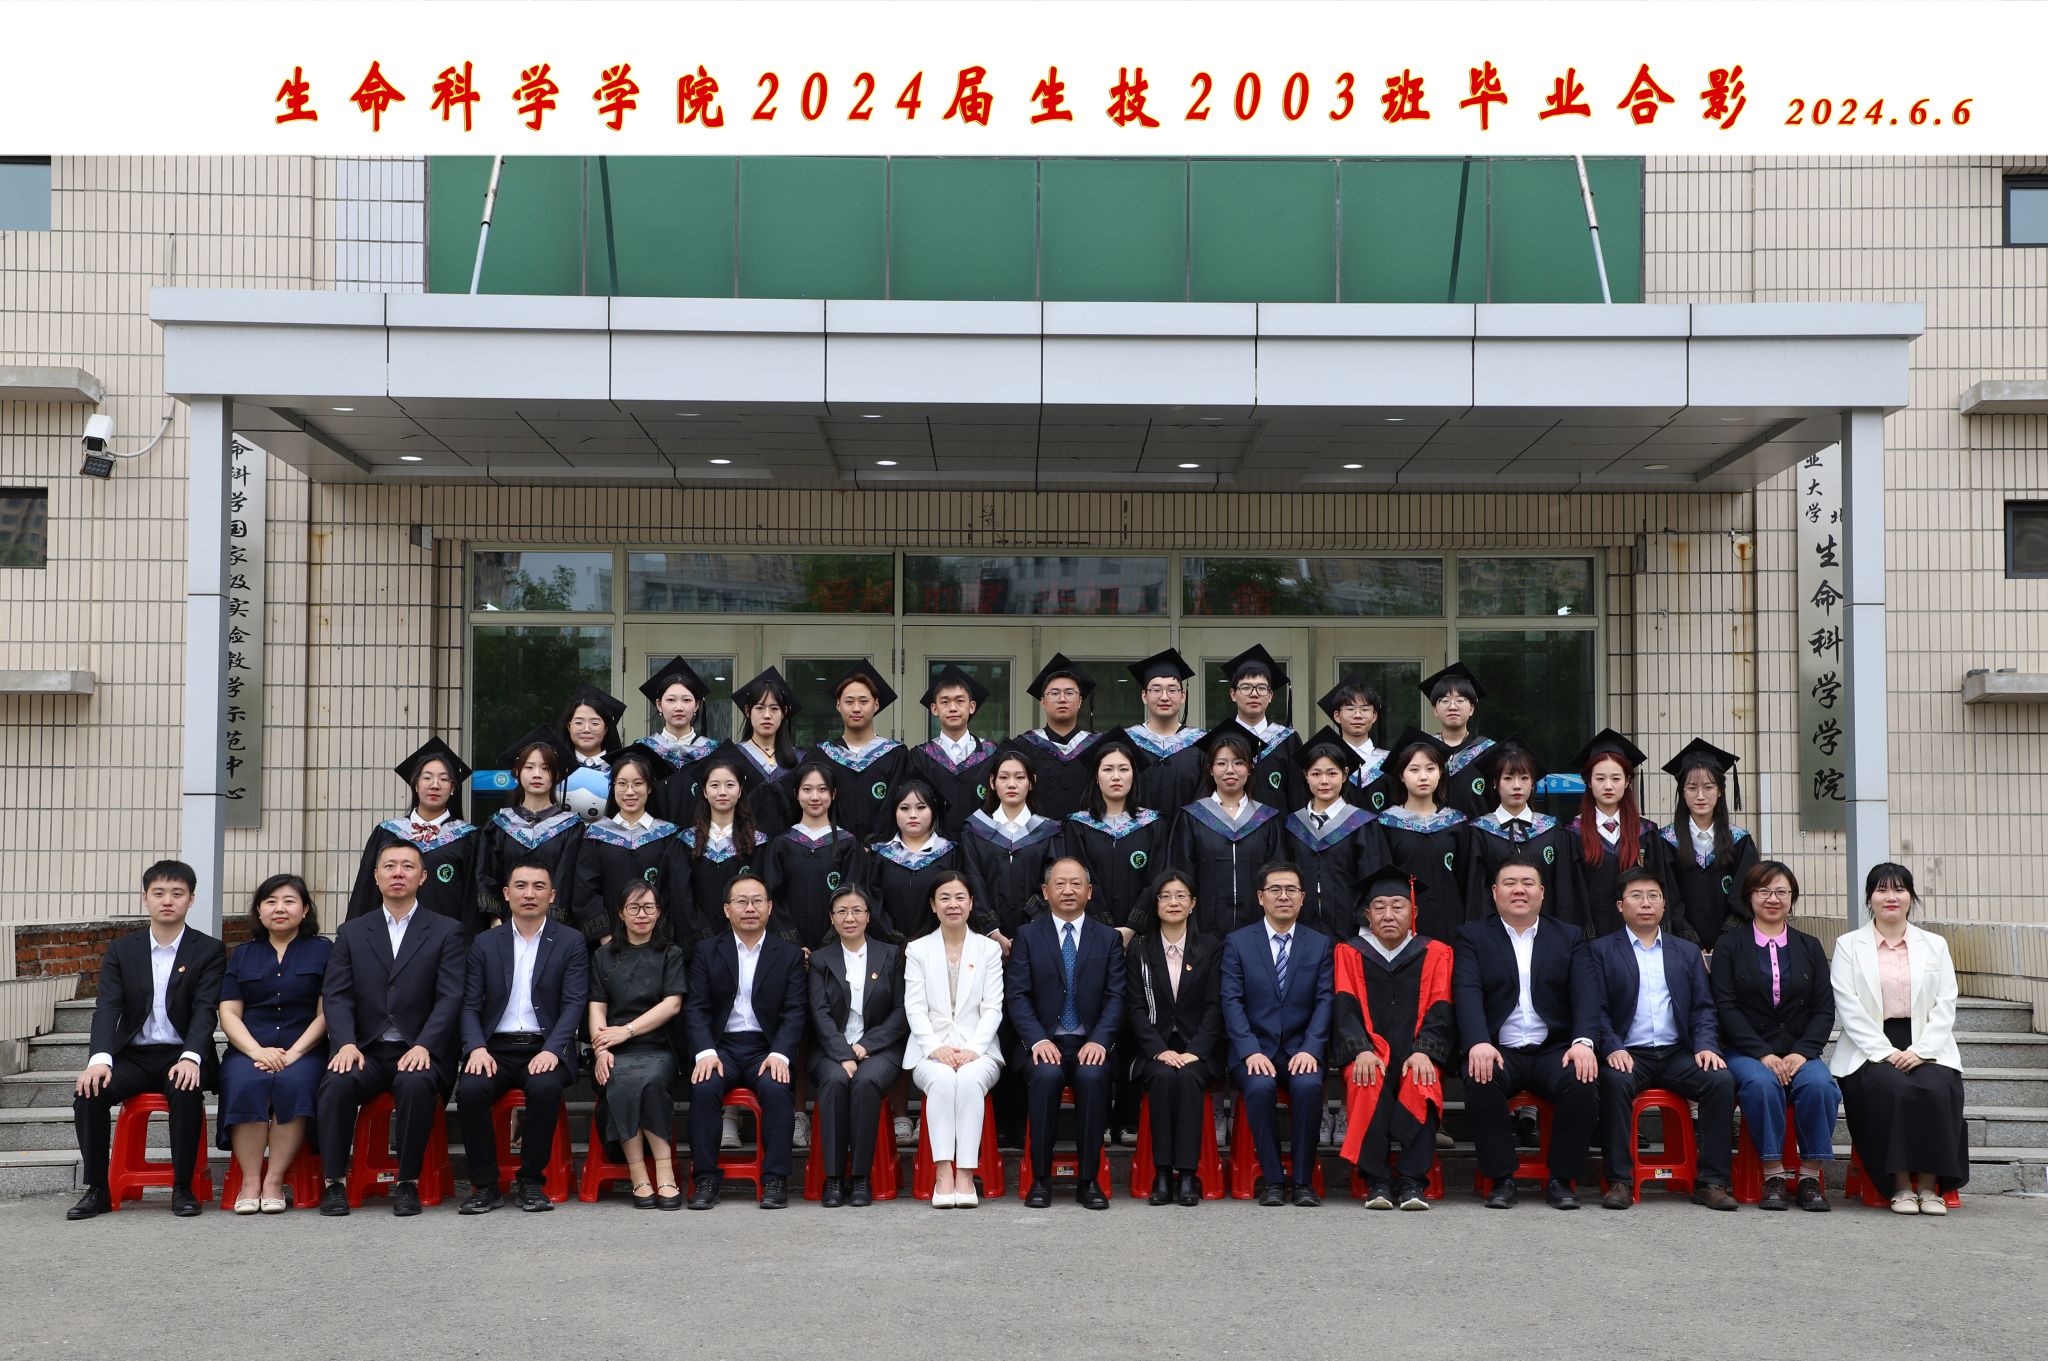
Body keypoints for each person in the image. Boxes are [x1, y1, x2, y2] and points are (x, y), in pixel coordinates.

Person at [67, 860, 227, 1221]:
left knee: (186, 1088)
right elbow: (108, 1006)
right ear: (145, 898)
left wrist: (192, 1057)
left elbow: (205, 1010)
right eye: (159, 893)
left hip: (181, 1053)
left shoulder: (209, 950)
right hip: (135, 1057)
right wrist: (99, 1060)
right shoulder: (122, 950)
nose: (167, 900)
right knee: (88, 1093)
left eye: (177, 893)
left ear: (191, 899)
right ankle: (97, 1189)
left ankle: (183, 1187)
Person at [316, 840, 468, 1217]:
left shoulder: (446, 931)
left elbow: (450, 996)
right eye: (390, 866)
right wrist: (345, 1043)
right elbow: (336, 995)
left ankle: (407, 1182)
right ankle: (334, 1183)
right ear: (376, 876)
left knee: (416, 1084)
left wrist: (426, 1045)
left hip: (420, 1048)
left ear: (423, 877)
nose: (398, 873)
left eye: (407, 866)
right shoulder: (352, 932)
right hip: (365, 1049)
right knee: (336, 1083)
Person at [1453, 854, 1601, 1210]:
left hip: (1553, 1049)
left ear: (1542, 892)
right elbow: (1466, 990)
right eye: (1510, 883)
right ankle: (1501, 1179)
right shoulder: (1472, 936)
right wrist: (1478, 1042)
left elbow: (1586, 994)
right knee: (1480, 1077)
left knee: (1582, 1079)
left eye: (1527, 883)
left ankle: (1561, 1180)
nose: (1519, 890)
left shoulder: (1568, 936)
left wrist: (1583, 1042)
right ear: (1495, 892)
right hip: (1498, 1047)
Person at [1588, 869, 1739, 1210]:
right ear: (1620, 905)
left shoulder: (1685, 951)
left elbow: (1703, 1007)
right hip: (1629, 1053)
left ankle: (1711, 1182)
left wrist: (1706, 1045)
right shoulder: (1600, 950)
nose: (1646, 903)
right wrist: (1612, 1047)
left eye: (1653, 896)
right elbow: (1596, 1010)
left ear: (1663, 904)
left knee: (1719, 1080)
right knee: (1614, 1081)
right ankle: (1620, 1181)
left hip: (1676, 1053)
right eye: (1636, 896)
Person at [1830, 862, 1969, 1214]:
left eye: (1899, 890)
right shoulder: (1848, 945)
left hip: (1927, 1042)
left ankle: (1930, 1187)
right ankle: (1901, 1186)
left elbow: (1946, 1003)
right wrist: (1886, 1052)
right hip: (1869, 1046)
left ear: (1911, 897)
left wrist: (1922, 1050)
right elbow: (1849, 1007)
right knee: (1893, 1088)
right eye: (1881, 890)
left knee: (1936, 1088)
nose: (1890, 897)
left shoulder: (1934, 945)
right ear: (1869, 899)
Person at [454, 856, 589, 1214]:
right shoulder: (485, 942)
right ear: (506, 893)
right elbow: (469, 1004)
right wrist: (476, 1047)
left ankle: (531, 1182)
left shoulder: (570, 941)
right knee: (470, 1090)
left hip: (544, 1046)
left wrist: (554, 1049)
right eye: (521, 886)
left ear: (552, 895)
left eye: (538, 887)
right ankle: (485, 1185)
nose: (530, 894)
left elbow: (574, 1003)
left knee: (544, 1089)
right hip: (494, 1048)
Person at [1711, 860, 1839, 1211]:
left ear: (1792, 898)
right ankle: (1773, 1175)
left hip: (1800, 1051)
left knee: (1821, 1086)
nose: (1773, 898)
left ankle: (1809, 1176)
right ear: (1749, 897)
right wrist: (1762, 1053)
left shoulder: (1810, 946)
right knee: (1761, 1085)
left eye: (1781, 891)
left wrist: (1803, 1052)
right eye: (1764, 891)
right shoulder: (1729, 946)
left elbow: (1824, 1008)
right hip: (1746, 1051)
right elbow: (1725, 1006)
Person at [1332, 866, 1454, 1211]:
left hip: (1416, 1051)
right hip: (1370, 1052)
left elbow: (1441, 1007)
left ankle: (1413, 1180)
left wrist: (1425, 1051)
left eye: (1398, 906)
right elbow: (1344, 1007)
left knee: (1422, 1077)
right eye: (1380, 907)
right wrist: (1360, 1050)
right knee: (1366, 1078)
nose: (1388, 915)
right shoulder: (1349, 952)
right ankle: (1378, 1180)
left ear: (1413, 912)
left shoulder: (1436, 953)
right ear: (1367, 915)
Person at [1007, 857, 1125, 1210]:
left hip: (1090, 1042)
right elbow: (1017, 995)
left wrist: (1100, 1040)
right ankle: (1040, 1179)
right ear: (1046, 892)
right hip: (1044, 1042)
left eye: (1076, 883)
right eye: (1060, 883)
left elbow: (1116, 996)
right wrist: (1038, 1039)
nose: (1068, 890)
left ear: (1089, 891)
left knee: (1092, 1077)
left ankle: (1088, 1181)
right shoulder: (1028, 936)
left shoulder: (1108, 938)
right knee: (1045, 1077)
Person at [684, 874, 807, 1209]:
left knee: (776, 1089)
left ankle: (775, 1179)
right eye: (741, 902)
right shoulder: (707, 951)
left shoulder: (788, 954)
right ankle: (705, 1178)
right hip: (721, 1047)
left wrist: (780, 1053)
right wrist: (705, 1051)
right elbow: (696, 1007)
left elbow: (795, 1011)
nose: (750, 908)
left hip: (765, 1048)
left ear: (770, 907)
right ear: (727, 909)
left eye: (757, 901)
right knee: (704, 1088)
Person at [1220, 863, 1335, 1207]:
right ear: (1260, 897)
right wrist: (1250, 1050)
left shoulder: (1320, 944)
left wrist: (1311, 1048)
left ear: (1303, 898)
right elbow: (1231, 1000)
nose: (1283, 896)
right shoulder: (1238, 942)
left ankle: (1302, 1182)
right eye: (1275, 890)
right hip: (1254, 1050)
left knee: (1308, 1087)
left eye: (1290, 890)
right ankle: (1272, 1180)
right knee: (1259, 1087)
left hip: (1302, 1049)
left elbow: (1325, 1000)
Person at [216, 874, 330, 1214]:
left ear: (305, 909)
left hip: (305, 1050)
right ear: (258, 911)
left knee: (294, 1083)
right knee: (245, 1081)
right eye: (270, 902)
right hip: (250, 1050)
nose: (280, 908)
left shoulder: (324, 951)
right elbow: (229, 1012)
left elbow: (327, 1012)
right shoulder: (242, 955)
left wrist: (294, 1054)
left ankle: (274, 1182)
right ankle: (250, 1181)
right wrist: (256, 1051)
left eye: (289, 901)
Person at [904, 872, 1006, 1207]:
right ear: (933, 905)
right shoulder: (918, 950)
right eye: (945, 898)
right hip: (929, 1050)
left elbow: (993, 1007)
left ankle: (966, 1173)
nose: (953, 904)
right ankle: (943, 1173)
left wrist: (974, 1050)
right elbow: (915, 1008)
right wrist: (936, 1048)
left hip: (980, 1051)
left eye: (960, 897)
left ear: (971, 903)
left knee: (970, 1080)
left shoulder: (988, 949)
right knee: (944, 1081)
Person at [588, 881, 689, 1209]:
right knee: (619, 1077)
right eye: (634, 908)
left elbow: (672, 1004)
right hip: (614, 1049)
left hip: (659, 1047)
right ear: (621, 913)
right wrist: (601, 1050)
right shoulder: (603, 956)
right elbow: (597, 1008)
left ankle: (664, 1170)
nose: (642, 914)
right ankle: (638, 1173)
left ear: (658, 913)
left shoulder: (670, 954)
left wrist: (627, 1031)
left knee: (649, 1081)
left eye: (649, 907)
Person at [806, 885, 908, 1207]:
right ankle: (834, 1178)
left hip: (881, 1049)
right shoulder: (821, 960)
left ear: (868, 916)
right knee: (835, 1081)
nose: (849, 918)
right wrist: (843, 1053)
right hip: (830, 1049)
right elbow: (819, 1013)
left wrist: (864, 1046)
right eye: (841, 912)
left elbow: (902, 1011)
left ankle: (862, 1176)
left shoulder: (890, 955)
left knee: (865, 1082)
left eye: (856, 911)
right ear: (831, 918)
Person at [1125, 871, 1222, 1205]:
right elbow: (1135, 1009)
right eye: (1165, 896)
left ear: (1193, 903)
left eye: (1181, 896)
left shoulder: (1209, 947)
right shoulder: (1140, 949)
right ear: (1155, 905)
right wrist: (1158, 1050)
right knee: (1164, 1078)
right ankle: (1163, 1174)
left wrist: (1197, 1050)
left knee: (1190, 1078)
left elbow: (1215, 1006)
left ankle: (1188, 1175)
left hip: (1198, 1049)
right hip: (1153, 1049)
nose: (1173, 902)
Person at [345, 737, 482, 936]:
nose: (435, 785)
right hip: (389, 937)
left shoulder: (468, 837)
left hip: (445, 942)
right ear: (415, 784)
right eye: (427, 778)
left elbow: (471, 902)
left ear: (453, 788)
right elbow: (366, 892)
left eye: (444, 779)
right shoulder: (387, 833)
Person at [1169, 724, 1287, 938]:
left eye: (1239, 762)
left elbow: (1278, 875)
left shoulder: (1267, 818)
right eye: (1221, 763)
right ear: (1210, 769)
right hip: (1204, 931)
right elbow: (1182, 874)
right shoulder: (1192, 817)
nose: (1230, 770)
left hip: (1259, 929)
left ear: (1250, 768)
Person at [1564, 729, 1675, 941]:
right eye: (1600, 778)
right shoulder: (1572, 833)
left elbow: (1661, 887)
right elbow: (1569, 894)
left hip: (1640, 938)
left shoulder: (1646, 832)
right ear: (1589, 782)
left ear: (1627, 781)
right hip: (1590, 938)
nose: (1608, 786)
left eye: (1616, 778)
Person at [1282, 727, 1390, 941]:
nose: (1324, 781)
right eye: (1316, 774)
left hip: (1349, 928)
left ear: (1345, 775)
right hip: (1299, 926)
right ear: (1305, 776)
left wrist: (1365, 925)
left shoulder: (1362, 824)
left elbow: (1375, 880)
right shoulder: (1292, 825)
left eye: (1332, 773)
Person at [474, 725, 584, 927]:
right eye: (529, 767)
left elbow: (568, 880)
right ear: (517, 773)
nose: (537, 774)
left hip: (556, 930)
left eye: (545, 768)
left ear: (557, 775)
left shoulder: (571, 827)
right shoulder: (498, 825)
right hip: (506, 926)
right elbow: (487, 874)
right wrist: (495, 920)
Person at [570, 743, 679, 944]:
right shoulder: (595, 835)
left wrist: (657, 936)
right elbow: (585, 890)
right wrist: (605, 937)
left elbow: (672, 892)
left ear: (649, 788)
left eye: (638, 783)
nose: (630, 791)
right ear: (613, 788)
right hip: (608, 944)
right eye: (622, 783)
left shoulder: (667, 835)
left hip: (657, 943)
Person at [1462, 739, 1579, 926]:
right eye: (1508, 778)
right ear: (1495, 783)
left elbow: (1562, 888)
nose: (1517, 786)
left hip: (1545, 931)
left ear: (1532, 783)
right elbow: (1477, 895)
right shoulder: (1480, 831)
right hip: (1495, 933)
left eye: (1524, 778)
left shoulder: (1551, 830)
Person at [761, 757, 872, 950]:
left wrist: (827, 947)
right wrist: (793, 946)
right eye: (807, 789)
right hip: (789, 949)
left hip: (837, 949)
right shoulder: (781, 844)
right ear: (796, 794)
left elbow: (853, 897)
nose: (814, 797)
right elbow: (773, 898)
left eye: (822, 789)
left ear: (833, 793)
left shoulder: (848, 845)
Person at [1061, 736, 1167, 938]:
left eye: (1124, 769)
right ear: (1096, 776)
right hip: (1091, 933)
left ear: (1134, 776)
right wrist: (1105, 928)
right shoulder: (1077, 826)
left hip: (1142, 936)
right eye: (1108, 769)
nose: (1116, 777)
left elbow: (1156, 879)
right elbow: (1079, 879)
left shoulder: (1153, 824)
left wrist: (1132, 927)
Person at [1659, 738, 1760, 947]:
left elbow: (1747, 894)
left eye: (1708, 787)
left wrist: (1725, 940)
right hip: (1679, 945)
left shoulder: (1739, 841)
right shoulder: (1665, 841)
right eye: (1692, 788)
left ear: (1720, 791)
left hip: (1731, 944)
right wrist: (1688, 940)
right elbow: (1666, 897)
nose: (1700, 796)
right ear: (1682, 792)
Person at [1372, 728, 1468, 944]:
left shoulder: (1456, 823)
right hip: (1401, 926)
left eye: (1430, 768)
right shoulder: (1385, 824)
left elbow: (1465, 879)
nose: (1423, 776)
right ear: (1401, 775)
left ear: (1441, 772)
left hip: (1451, 921)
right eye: (1414, 769)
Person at [865, 778, 990, 943]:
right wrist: (890, 935)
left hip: (940, 944)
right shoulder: (879, 855)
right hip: (888, 946)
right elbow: (872, 902)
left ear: (933, 811)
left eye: (921, 807)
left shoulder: (951, 853)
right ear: (894, 812)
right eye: (904, 808)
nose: (913, 815)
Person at [665, 751, 769, 946]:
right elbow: (681, 897)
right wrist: (705, 939)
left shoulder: (758, 843)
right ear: (704, 791)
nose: (722, 792)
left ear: (740, 791)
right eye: (714, 785)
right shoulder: (685, 842)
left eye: (730, 785)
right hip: (696, 945)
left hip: (745, 941)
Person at [960, 746, 1060, 946]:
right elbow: (973, 880)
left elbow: (1053, 881)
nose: (1011, 784)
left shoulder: (1048, 832)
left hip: (1038, 934)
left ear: (1031, 782)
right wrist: (992, 931)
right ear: (992, 782)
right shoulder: (975, 831)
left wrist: (1031, 925)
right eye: (1004, 777)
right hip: (984, 938)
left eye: (1020, 777)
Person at [812, 660, 911, 842]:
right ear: (838, 705)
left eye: (863, 701)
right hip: (833, 848)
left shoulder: (896, 754)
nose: (856, 708)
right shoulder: (821, 755)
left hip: (883, 850)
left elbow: (899, 803)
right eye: (849, 702)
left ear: (876, 705)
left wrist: (875, 843)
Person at [907, 665, 1001, 842]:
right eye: (945, 702)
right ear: (934, 709)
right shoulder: (920, 756)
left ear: (972, 707)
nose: (952, 708)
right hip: (934, 847)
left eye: (960, 701)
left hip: (983, 846)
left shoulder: (991, 753)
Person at [1008, 654, 1105, 820]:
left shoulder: (1098, 746)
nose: (1062, 699)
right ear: (1042, 702)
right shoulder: (1023, 747)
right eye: (1054, 693)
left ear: (1080, 701)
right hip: (1038, 833)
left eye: (1069, 693)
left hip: (1088, 832)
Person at [1219, 645, 1306, 813]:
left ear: (1270, 695)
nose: (1254, 694)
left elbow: (1298, 797)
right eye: (1246, 687)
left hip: (1278, 828)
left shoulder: (1287, 740)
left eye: (1261, 688)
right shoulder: (1219, 740)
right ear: (1233, 694)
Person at [1125, 648, 1206, 817]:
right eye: (1156, 690)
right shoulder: (1127, 742)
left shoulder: (1201, 744)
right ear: (1144, 696)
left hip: (1188, 830)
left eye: (1172, 690)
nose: (1164, 697)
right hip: (1138, 831)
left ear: (1183, 696)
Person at [640, 658, 721, 823]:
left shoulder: (713, 752)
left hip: (701, 833)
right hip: (654, 834)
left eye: (686, 700)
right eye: (671, 700)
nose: (679, 707)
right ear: (659, 705)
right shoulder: (643, 750)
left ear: (696, 705)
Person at [728, 666, 805, 838]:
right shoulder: (734, 757)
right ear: (747, 711)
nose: (767, 715)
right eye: (760, 708)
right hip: (744, 846)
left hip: (789, 847)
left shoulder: (800, 759)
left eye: (774, 708)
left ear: (784, 712)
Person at [1417, 662, 1496, 818]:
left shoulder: (1488, 751)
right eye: (1445, 701)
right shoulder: (1424, 750)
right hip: (1433, 831)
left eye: (1460, 700)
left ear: (1471, 709)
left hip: (1477, 831)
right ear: (1435, 710)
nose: (1452, 706)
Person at [557, 682, 629, 822]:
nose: (586, 729)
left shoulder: (622, 768)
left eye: (595, 723)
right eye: (579, 722)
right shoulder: (555, 766)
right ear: (569, 726)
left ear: (606, 728)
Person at [1318, 676, 1389, 812]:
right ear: (1337, 716)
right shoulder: (1324, 761)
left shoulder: (1388, 762)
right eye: (1350, 709)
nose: (1358, 715)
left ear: (1374, 716)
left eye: (1365, 709)